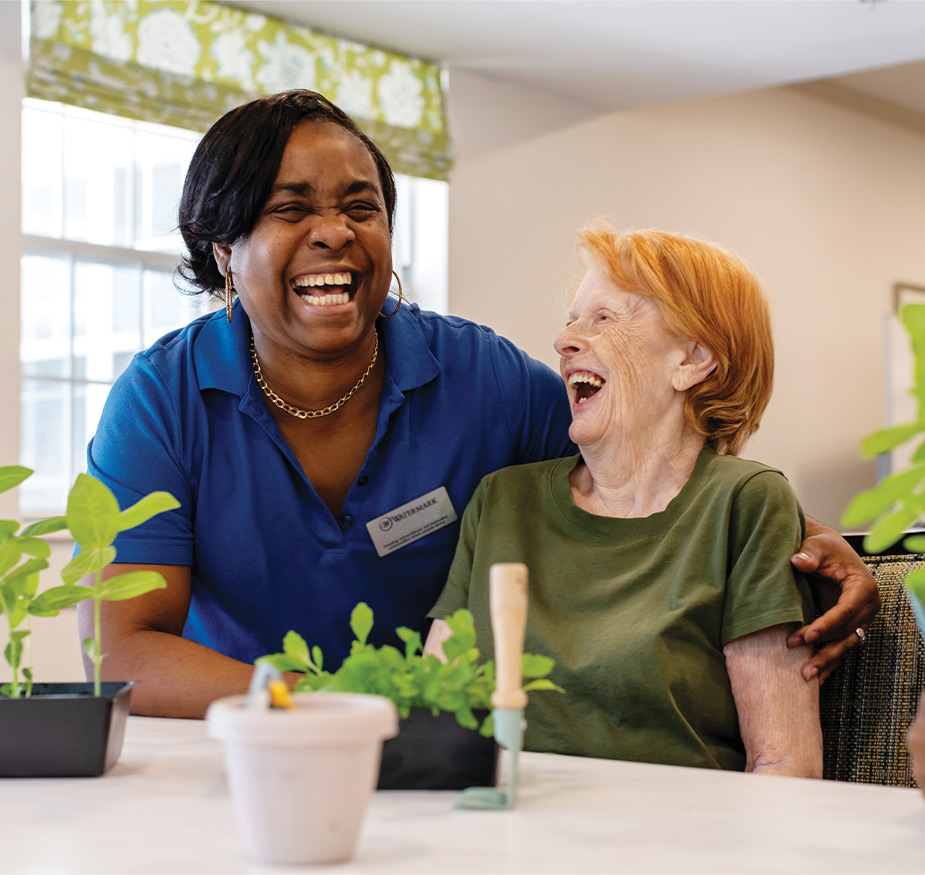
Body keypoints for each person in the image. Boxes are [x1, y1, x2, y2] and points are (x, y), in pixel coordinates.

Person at [80, 89, 877, 719]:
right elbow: (125, 650)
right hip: (240, 736)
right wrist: (313, 702)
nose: (335, 232)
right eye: (290, 209)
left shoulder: (479, 380)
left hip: (435, 744)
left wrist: (808, 536)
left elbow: (642, 462)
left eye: (361, 207)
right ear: (224, 248)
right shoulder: (164, 399)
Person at [425, 225, 824, 775]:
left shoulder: (746, 503)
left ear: (692, 358)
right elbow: (427, 713)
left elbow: (784, 764)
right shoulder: (502, 500)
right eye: (571, 321)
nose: (565, 342)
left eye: (604, 319)